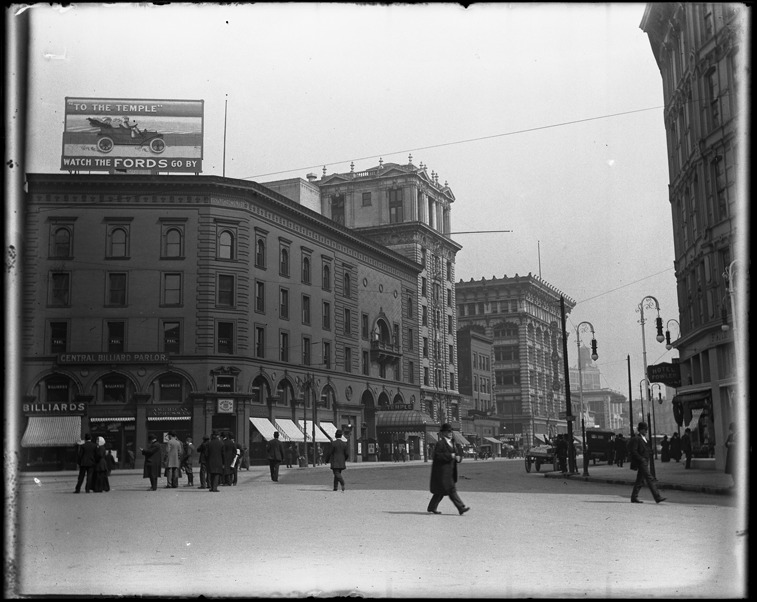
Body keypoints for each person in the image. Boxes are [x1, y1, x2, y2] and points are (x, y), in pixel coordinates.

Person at [427, 423, 470, 515]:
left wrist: (458, 458)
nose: (450, 433)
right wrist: (450, 456)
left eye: (451, 431)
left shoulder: (453, 443)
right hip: (442, 472)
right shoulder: (440, 443)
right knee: (451, 490)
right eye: (448, 431)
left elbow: (456, 454)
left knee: (440, 491)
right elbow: (437, 456)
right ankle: (461, 508)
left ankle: (431, 507)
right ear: (443, 433)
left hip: (450, 472)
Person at [628, 422, 665, 504]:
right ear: (640, 430)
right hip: (641, 462)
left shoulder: (645, 439)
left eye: (646, 429)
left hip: (645, 461)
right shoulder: (636, 439)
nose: (646, 431)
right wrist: (641, 459)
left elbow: (647, 450)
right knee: (649, 478)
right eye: (645, 429)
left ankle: (634, 497)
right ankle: (657, 497)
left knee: (640, 480)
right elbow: (633, 451)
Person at [724, 422, 736, 487]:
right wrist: (728, 444)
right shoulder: (730, 436)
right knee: (732, 470)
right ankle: (735, 483)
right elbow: (726, 443)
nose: (732, 430)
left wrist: (733, 444)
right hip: (730, 454)